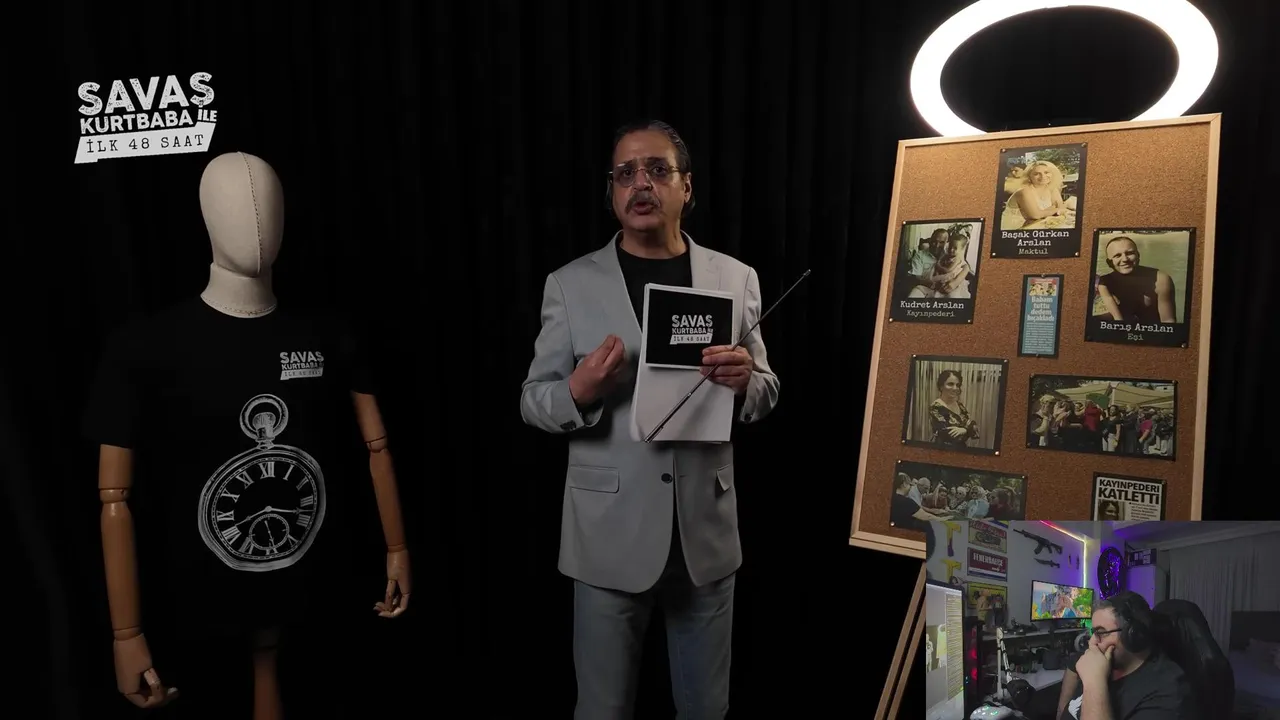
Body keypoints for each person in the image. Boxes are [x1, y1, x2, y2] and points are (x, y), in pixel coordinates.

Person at [519, 120, 780, 719]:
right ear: (611, 191)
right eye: (626, 173)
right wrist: (578, 392)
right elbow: (532, 399)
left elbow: (767, 389)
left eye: (658, 170)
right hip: (607, 538)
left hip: (705, 537)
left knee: (706, 710)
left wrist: (747, 382)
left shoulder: (736, 278)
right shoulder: (569, 284)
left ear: (686, 187)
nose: (641, 183)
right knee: (603, 710)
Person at [1056, 592, 1198, 719]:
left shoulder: (1168, 693)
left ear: (1133, 635)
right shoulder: (1104, 657)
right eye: (1093, 633)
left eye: (1101, 633)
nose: (1092, 642)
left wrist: (1094, 682)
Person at [1095, 236, 1177, 324]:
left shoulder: (1160, 280)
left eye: (1130, 253)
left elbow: (1168, 321)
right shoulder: (1105, 283)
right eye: (1117, 256)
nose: (1125, 259)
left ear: (1138, 255)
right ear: (1109, 263)